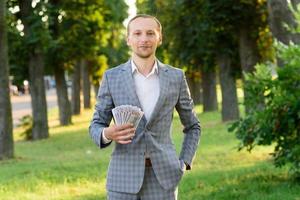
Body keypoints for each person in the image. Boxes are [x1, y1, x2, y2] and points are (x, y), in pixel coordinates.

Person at [89, 14, 201, 200]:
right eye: (137, 33)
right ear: (129, 39)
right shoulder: (112, 77)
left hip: (164, 179)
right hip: (122, 180)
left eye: (150, 33)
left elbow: (193, 126)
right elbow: (96, 125)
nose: (144, 39)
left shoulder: (175, 77)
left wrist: (185, 162)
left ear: (160, 38)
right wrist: (107, 134)